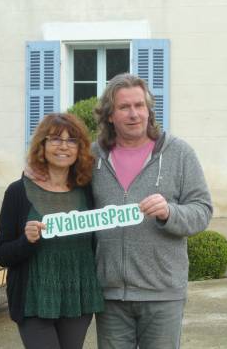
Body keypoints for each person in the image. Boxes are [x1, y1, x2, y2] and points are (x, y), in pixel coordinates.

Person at [91, 73, 213, 348]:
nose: (134, 114)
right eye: (124, 107)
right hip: (110, 294)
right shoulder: (92, 157)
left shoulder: (179, 153)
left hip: (162, 291)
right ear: (110, 115)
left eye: (139, 106)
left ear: (149, 110)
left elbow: (202, 211)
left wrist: (170, 213)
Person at [0, 113, 104, 349]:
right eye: (55, 139)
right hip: (34, 297)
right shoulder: (17, 192)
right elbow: (1, 255)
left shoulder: (88, 191)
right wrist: (26, 240)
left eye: (72, 140)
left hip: (78, 295)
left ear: (80, 149)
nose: (63, 146)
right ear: (42, 145)